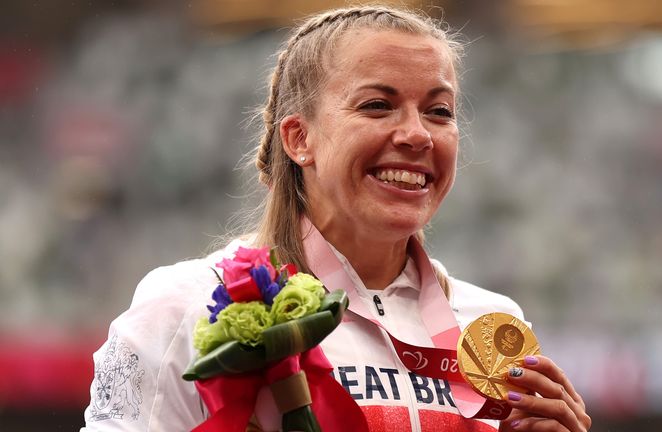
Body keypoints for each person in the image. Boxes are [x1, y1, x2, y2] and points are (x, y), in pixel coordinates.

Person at [82, 5, 590, 432]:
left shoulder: (492, 328)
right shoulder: (188, 307)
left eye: (439, 112)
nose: (418, 135)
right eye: (377, 105)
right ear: (299, 139)